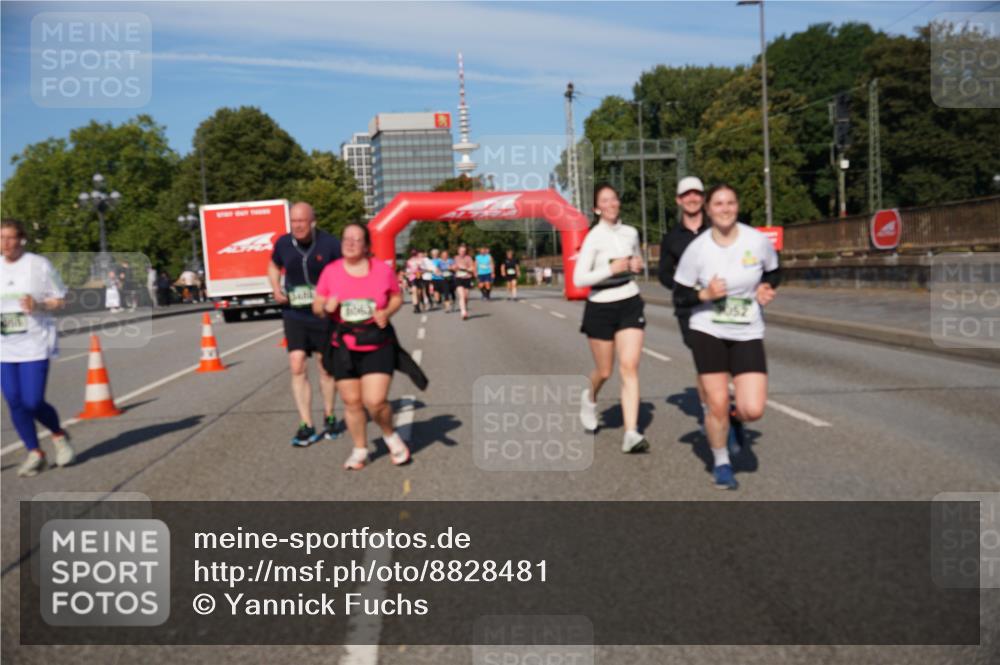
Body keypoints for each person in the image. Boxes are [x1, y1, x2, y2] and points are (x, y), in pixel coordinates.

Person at [672, 184, 780, 490]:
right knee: (716, 402)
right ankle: (721, 462)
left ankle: (735, 418)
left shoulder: (756, 240)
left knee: (753, 409)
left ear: (738, 206)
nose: (725, 208)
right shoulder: (699, 249)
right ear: (708, 209)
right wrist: (704, 293)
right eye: (718, 203)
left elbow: (774, 271)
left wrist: (767, 287)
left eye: (730, 202)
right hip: (708, 328)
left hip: (747, 329)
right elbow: (680, 295)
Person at [313, 223, 411, 470]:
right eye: (346, 238)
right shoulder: (331, 271)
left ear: (367, 246)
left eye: (357, 239)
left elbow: (396, 296)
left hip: (377, 342)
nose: (350, 243)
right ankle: (360, 449)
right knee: (352, 402)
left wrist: (387, 312)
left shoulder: (381, 270)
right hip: (343, 346)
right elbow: (317, 305)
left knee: (375, 401)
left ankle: (390, 434)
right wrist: (326, 307)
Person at [572, 184, 649, 454]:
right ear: (597, 208)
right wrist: (609, 269)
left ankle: (631, 433)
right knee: (605, 371)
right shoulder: (593, 237)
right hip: (600, 306)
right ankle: (589, 397)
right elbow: (578, 278)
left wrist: (637, 265)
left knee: (629, 366)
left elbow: (637, 259)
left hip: (629, 300)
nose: (611, 203)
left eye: (614, 198)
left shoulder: (630, 232)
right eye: (605, 201)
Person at [1, 219, 75, 477]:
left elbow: (61, 299)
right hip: (4, 347)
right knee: (14, 401)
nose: (6, 244)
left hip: (34, 342)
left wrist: (40, 305)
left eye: (11, 238)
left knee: (32, 401)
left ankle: (58, 435)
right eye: (1, 238)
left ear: (21, 239)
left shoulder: (38, 265)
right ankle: (35, 452)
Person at [267, 201, 342, 446]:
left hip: (323, 316)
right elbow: (273, 265)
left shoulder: (330, 244)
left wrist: (334, 298)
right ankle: (306, 424)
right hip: (295, 313)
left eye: (302, 221)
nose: (297, 226)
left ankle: (330, 415)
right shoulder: (283, 243)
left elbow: (344, 273)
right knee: (297, 364)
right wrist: (276, 287)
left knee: (325, 368)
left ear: (313, 221)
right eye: (294, 222)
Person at [658, 176, 710, 427]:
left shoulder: (718, 229)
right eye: (687, 195)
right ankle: (708, 411)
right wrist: (683, 287)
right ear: (679, 200)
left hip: (719, 303)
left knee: (724, 361)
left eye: (697, 194)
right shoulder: (672, 238)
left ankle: (716, 404)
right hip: (688, 307)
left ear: (703, 198)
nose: (692, 199)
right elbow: (664, 273)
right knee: (706, 360)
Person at [452, 243, 475, 320]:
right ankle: (463, 312)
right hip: (458, 278)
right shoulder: (455, 258)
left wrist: (466, 269)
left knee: (466, 297)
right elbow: (452, 267)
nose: (462, 252)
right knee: (461, 295)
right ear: (458, 251)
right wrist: (455, 268)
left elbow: (472, 268)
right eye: (461, 251)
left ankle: (464, 307)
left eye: (464, 251)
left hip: (467, 278)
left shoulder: (469, 258)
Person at [405, 249, 422, 313]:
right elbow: (407, 270)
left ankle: (418, 304)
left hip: (419, 276)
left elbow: (423, 267)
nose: (414, 254)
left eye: (415, 253)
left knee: (419, 293)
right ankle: (416, 306)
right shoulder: (409, 261)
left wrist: (420, 268)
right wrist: (407, 276)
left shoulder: (419, 260)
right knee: (414, 291)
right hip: (412, 277)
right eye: (413, 254)